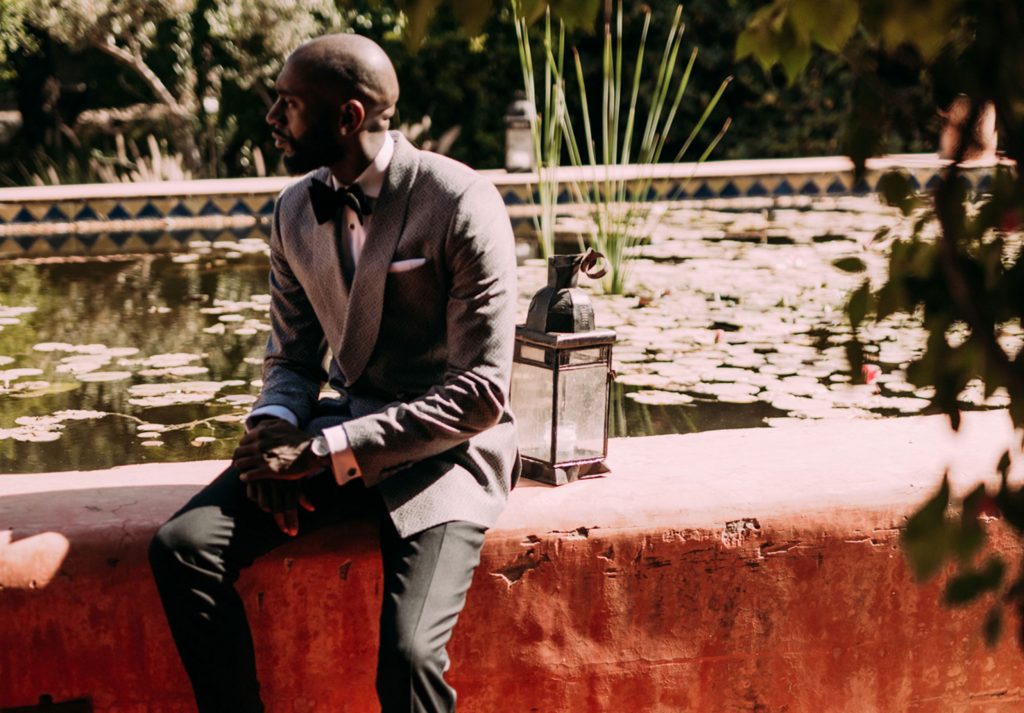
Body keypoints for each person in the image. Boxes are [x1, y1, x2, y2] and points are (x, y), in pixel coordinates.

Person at [148, 33, 519, 713]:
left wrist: (317, 452)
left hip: (445, 458)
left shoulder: (462, 201)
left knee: (407, 661)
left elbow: (481, 394)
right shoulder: (294, 208)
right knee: (182, 546)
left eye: (288, 105)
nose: (271, 120)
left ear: (347, 117)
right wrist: (272, 435)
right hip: (333, 440)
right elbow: (291, 358)